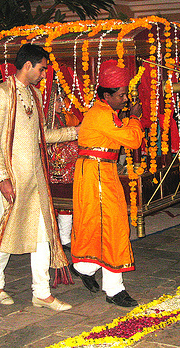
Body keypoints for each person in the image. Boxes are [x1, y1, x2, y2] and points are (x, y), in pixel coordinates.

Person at [0, 43, 77, 310]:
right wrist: (2, 177)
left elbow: (41, 136)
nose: (44, 73)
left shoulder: (34, 94)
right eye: (42, 68)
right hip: (12, 178)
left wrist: (75, 132)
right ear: (28, 65)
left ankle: (42, 292)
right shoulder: (1, 94)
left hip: (35, 178)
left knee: (42, 235)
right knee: (4, 235)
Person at [71, 59, 143, 307]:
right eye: (121, 95)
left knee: (97, 224)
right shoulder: (102, 115)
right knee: (112, 225)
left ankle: (84, 267)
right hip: (97, 174)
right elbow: (132, 140)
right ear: (106, 96)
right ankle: (114, 289)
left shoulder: (105, 113)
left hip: (100, 172)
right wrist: (135, 118)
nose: (126, 99)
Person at [46, 84, 80, 250]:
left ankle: (65, 238)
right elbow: (48, 143)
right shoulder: (47, 120)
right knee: (54, 205)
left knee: (67, 205)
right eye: (58, 100)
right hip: (54, 168)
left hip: (67, 168)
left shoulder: (63, 117)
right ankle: (55, 238)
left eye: (62, 100)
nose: (62, 104)